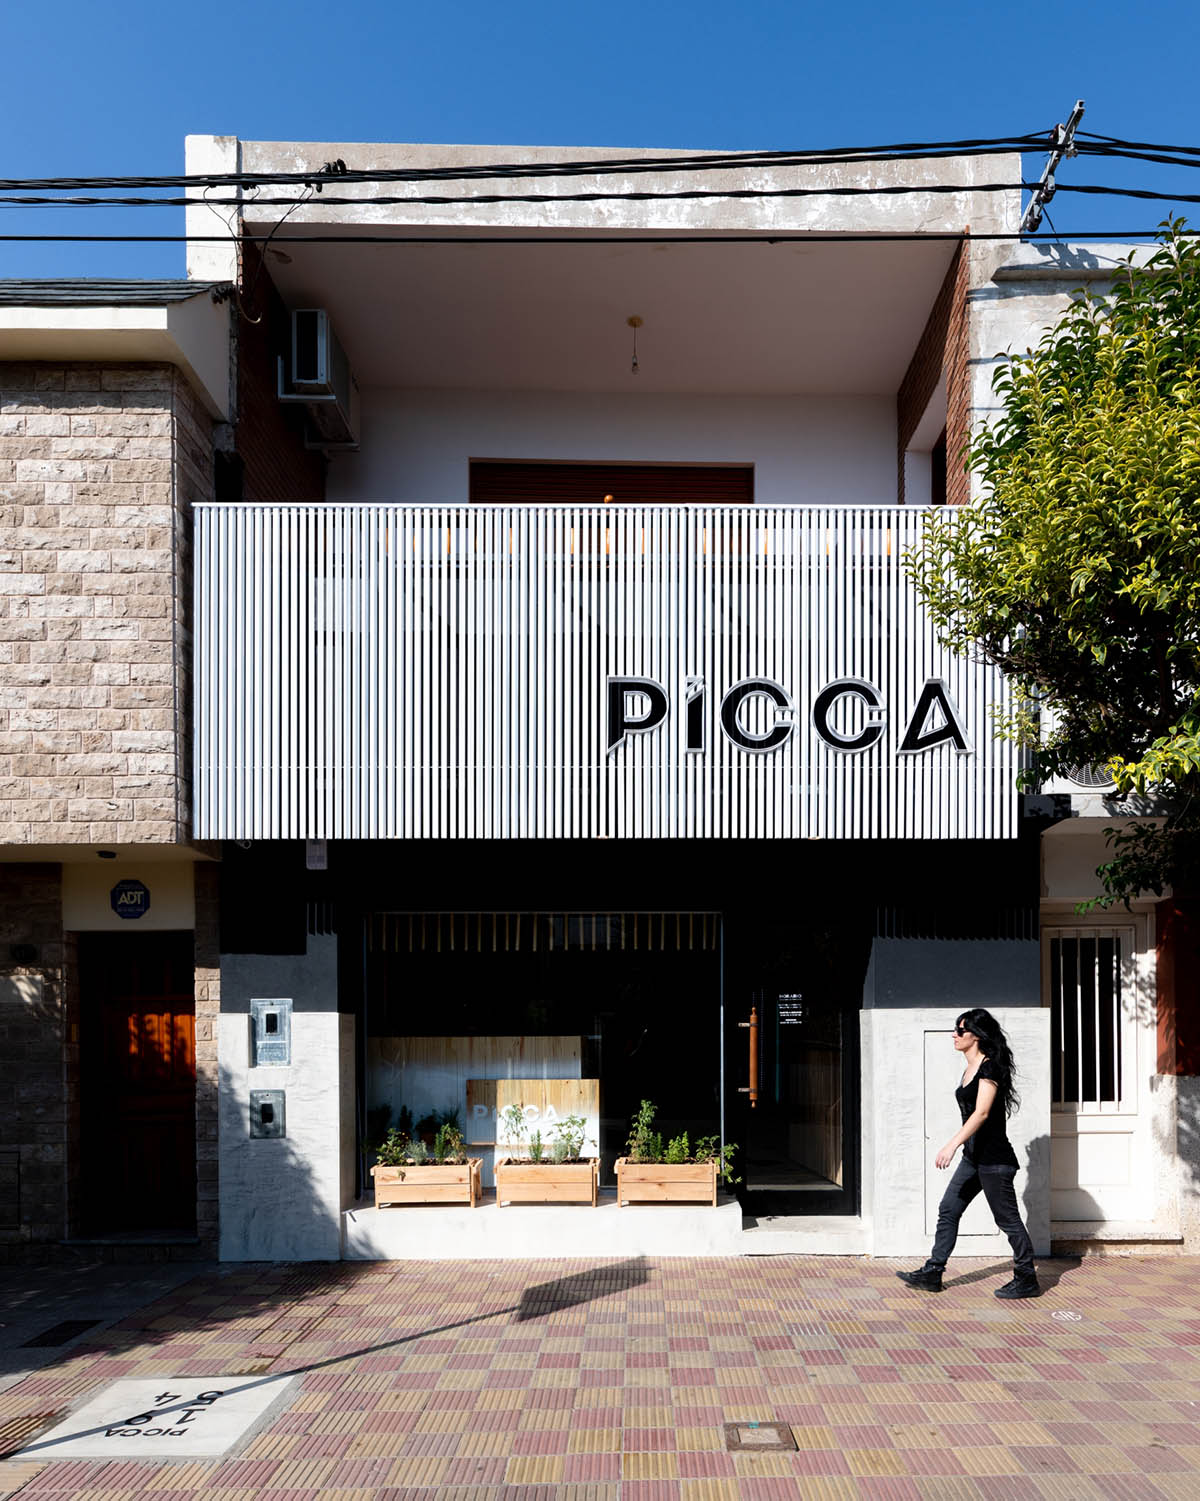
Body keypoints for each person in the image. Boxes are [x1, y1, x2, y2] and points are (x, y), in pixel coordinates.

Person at [896, 1008, 1040, 1299]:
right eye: (955, 1029)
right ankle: (933, 1272)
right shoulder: (969, 1069)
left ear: (976, 1036)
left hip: (994, 1160)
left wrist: (951, 1145)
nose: (954, 1035)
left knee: (1008, 1221)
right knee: (948, 1209)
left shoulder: (990, 1068)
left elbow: (982, 1112)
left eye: (960, 1031)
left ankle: (1027, 1278)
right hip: (974, 1158)